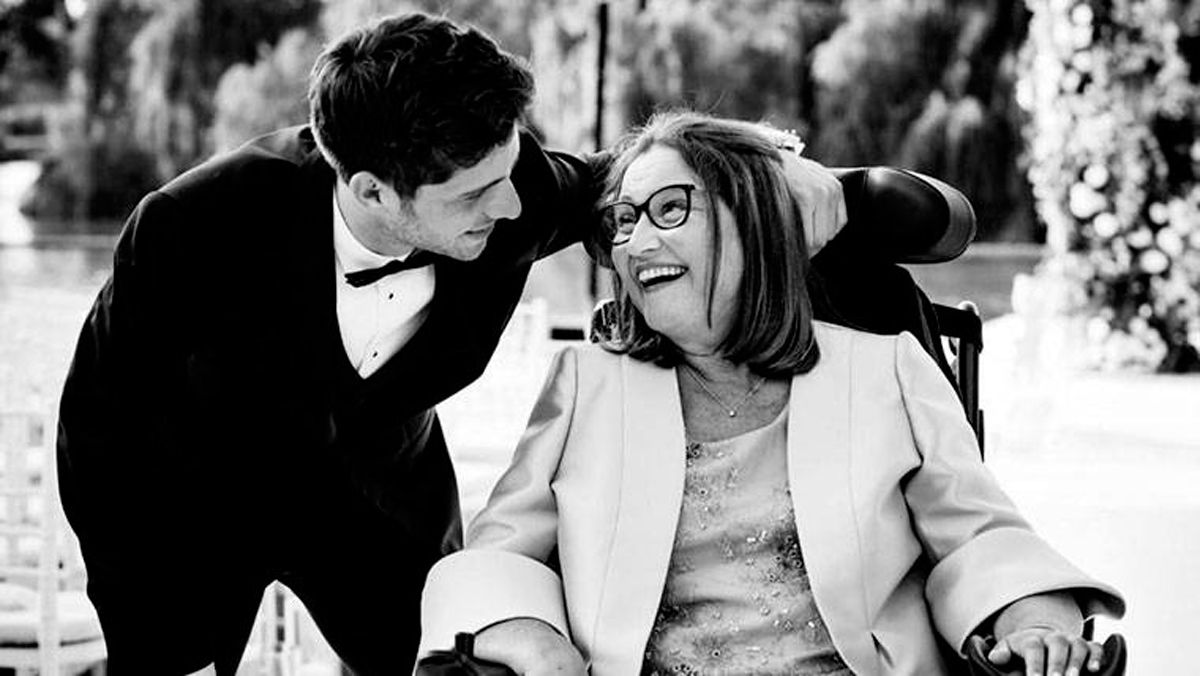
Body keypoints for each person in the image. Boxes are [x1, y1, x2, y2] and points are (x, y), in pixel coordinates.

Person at [55, 11, 964, 675]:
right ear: (372, 192)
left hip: (380, 494)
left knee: (442, 661)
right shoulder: (186, 228)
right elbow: (99, 433)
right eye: (474, 195)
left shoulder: (514, 185)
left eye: (511, 169)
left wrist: (787, 171)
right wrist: (139, 597)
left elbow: (640, 183)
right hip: (197, 502)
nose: (513, 205)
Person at [418, 111, 1126, 676]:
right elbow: (501, 552)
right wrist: (531, 638)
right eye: (623, 221)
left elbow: (980, 537)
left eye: (670, 209)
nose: (633, 243)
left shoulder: (885, 371)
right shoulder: (586, 384)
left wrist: (1032, 622)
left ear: (753, 219)